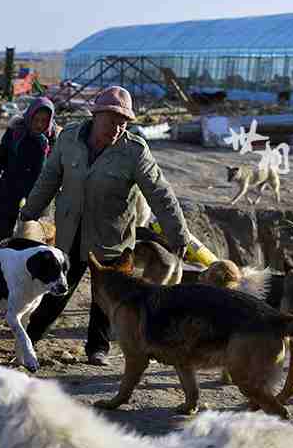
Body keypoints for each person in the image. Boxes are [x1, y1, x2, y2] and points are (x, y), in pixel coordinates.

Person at [18, 86, 189, 366]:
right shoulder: (69, 139)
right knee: (57, 286)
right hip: (71, 230)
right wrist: (30, 211)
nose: (118, 127)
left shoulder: (134, 151)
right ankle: (30, 337)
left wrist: (177, 233)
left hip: (112, 235)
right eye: (112, 120)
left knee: (107, 297)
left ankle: (98, 348)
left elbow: (160, 193)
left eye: (123, 122)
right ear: (95, 115)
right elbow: (49, 178)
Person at [0, 97, 56, 245]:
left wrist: (43, 151)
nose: (39, 124)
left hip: (36, 198)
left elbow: (52, 173)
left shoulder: (53, 140)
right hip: (8, 193)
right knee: (1, 241)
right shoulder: (15, 132)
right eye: (36, 119)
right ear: (29, 116)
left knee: (30, 241)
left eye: (44, 121)